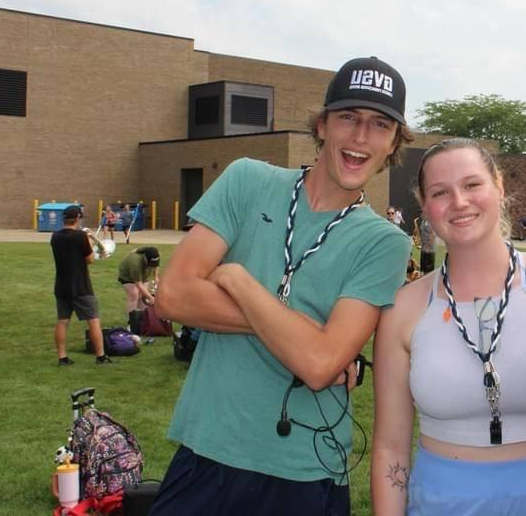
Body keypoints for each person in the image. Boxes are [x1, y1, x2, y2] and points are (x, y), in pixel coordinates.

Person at [150, 56, 414, 516]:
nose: (360, 137)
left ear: (393, 144)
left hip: (305, 472)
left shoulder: (384, 242)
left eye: (379, 125)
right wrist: (306, 332)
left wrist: (236, 280)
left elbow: (318, 364)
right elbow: (173, 295)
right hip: (209, 449)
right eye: (348, 118)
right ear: (322, 126)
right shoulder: (247, 180)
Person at [371, 138, 526, 515]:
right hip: (441, 503)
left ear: (499, 186)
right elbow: (390, 447)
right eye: (440, 192)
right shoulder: (403, 309)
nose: (459, 201)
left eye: (472, 185)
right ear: (425, 205)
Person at [50, 205, 112, 365]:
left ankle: (62, 357)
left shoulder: (55, 237)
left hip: (61, 286)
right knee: (93, 320)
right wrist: (90, 242)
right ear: (78, 218)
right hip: (80, 285)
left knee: (62, 321)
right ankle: (100, 356)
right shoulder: (80, 236)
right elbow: (90, 260)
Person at [118, 246, 161, 319]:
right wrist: (150, 298)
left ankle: (143, 320)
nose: (151, 266)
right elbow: (138, 283)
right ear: (145, 258)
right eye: (150, 263)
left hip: (144, 275)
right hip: (127, 276)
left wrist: (156, 277)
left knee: (142, 296)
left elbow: (156, 265)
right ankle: (131, 321)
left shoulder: (156, 254)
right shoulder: (135, 261)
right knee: (134, 295)